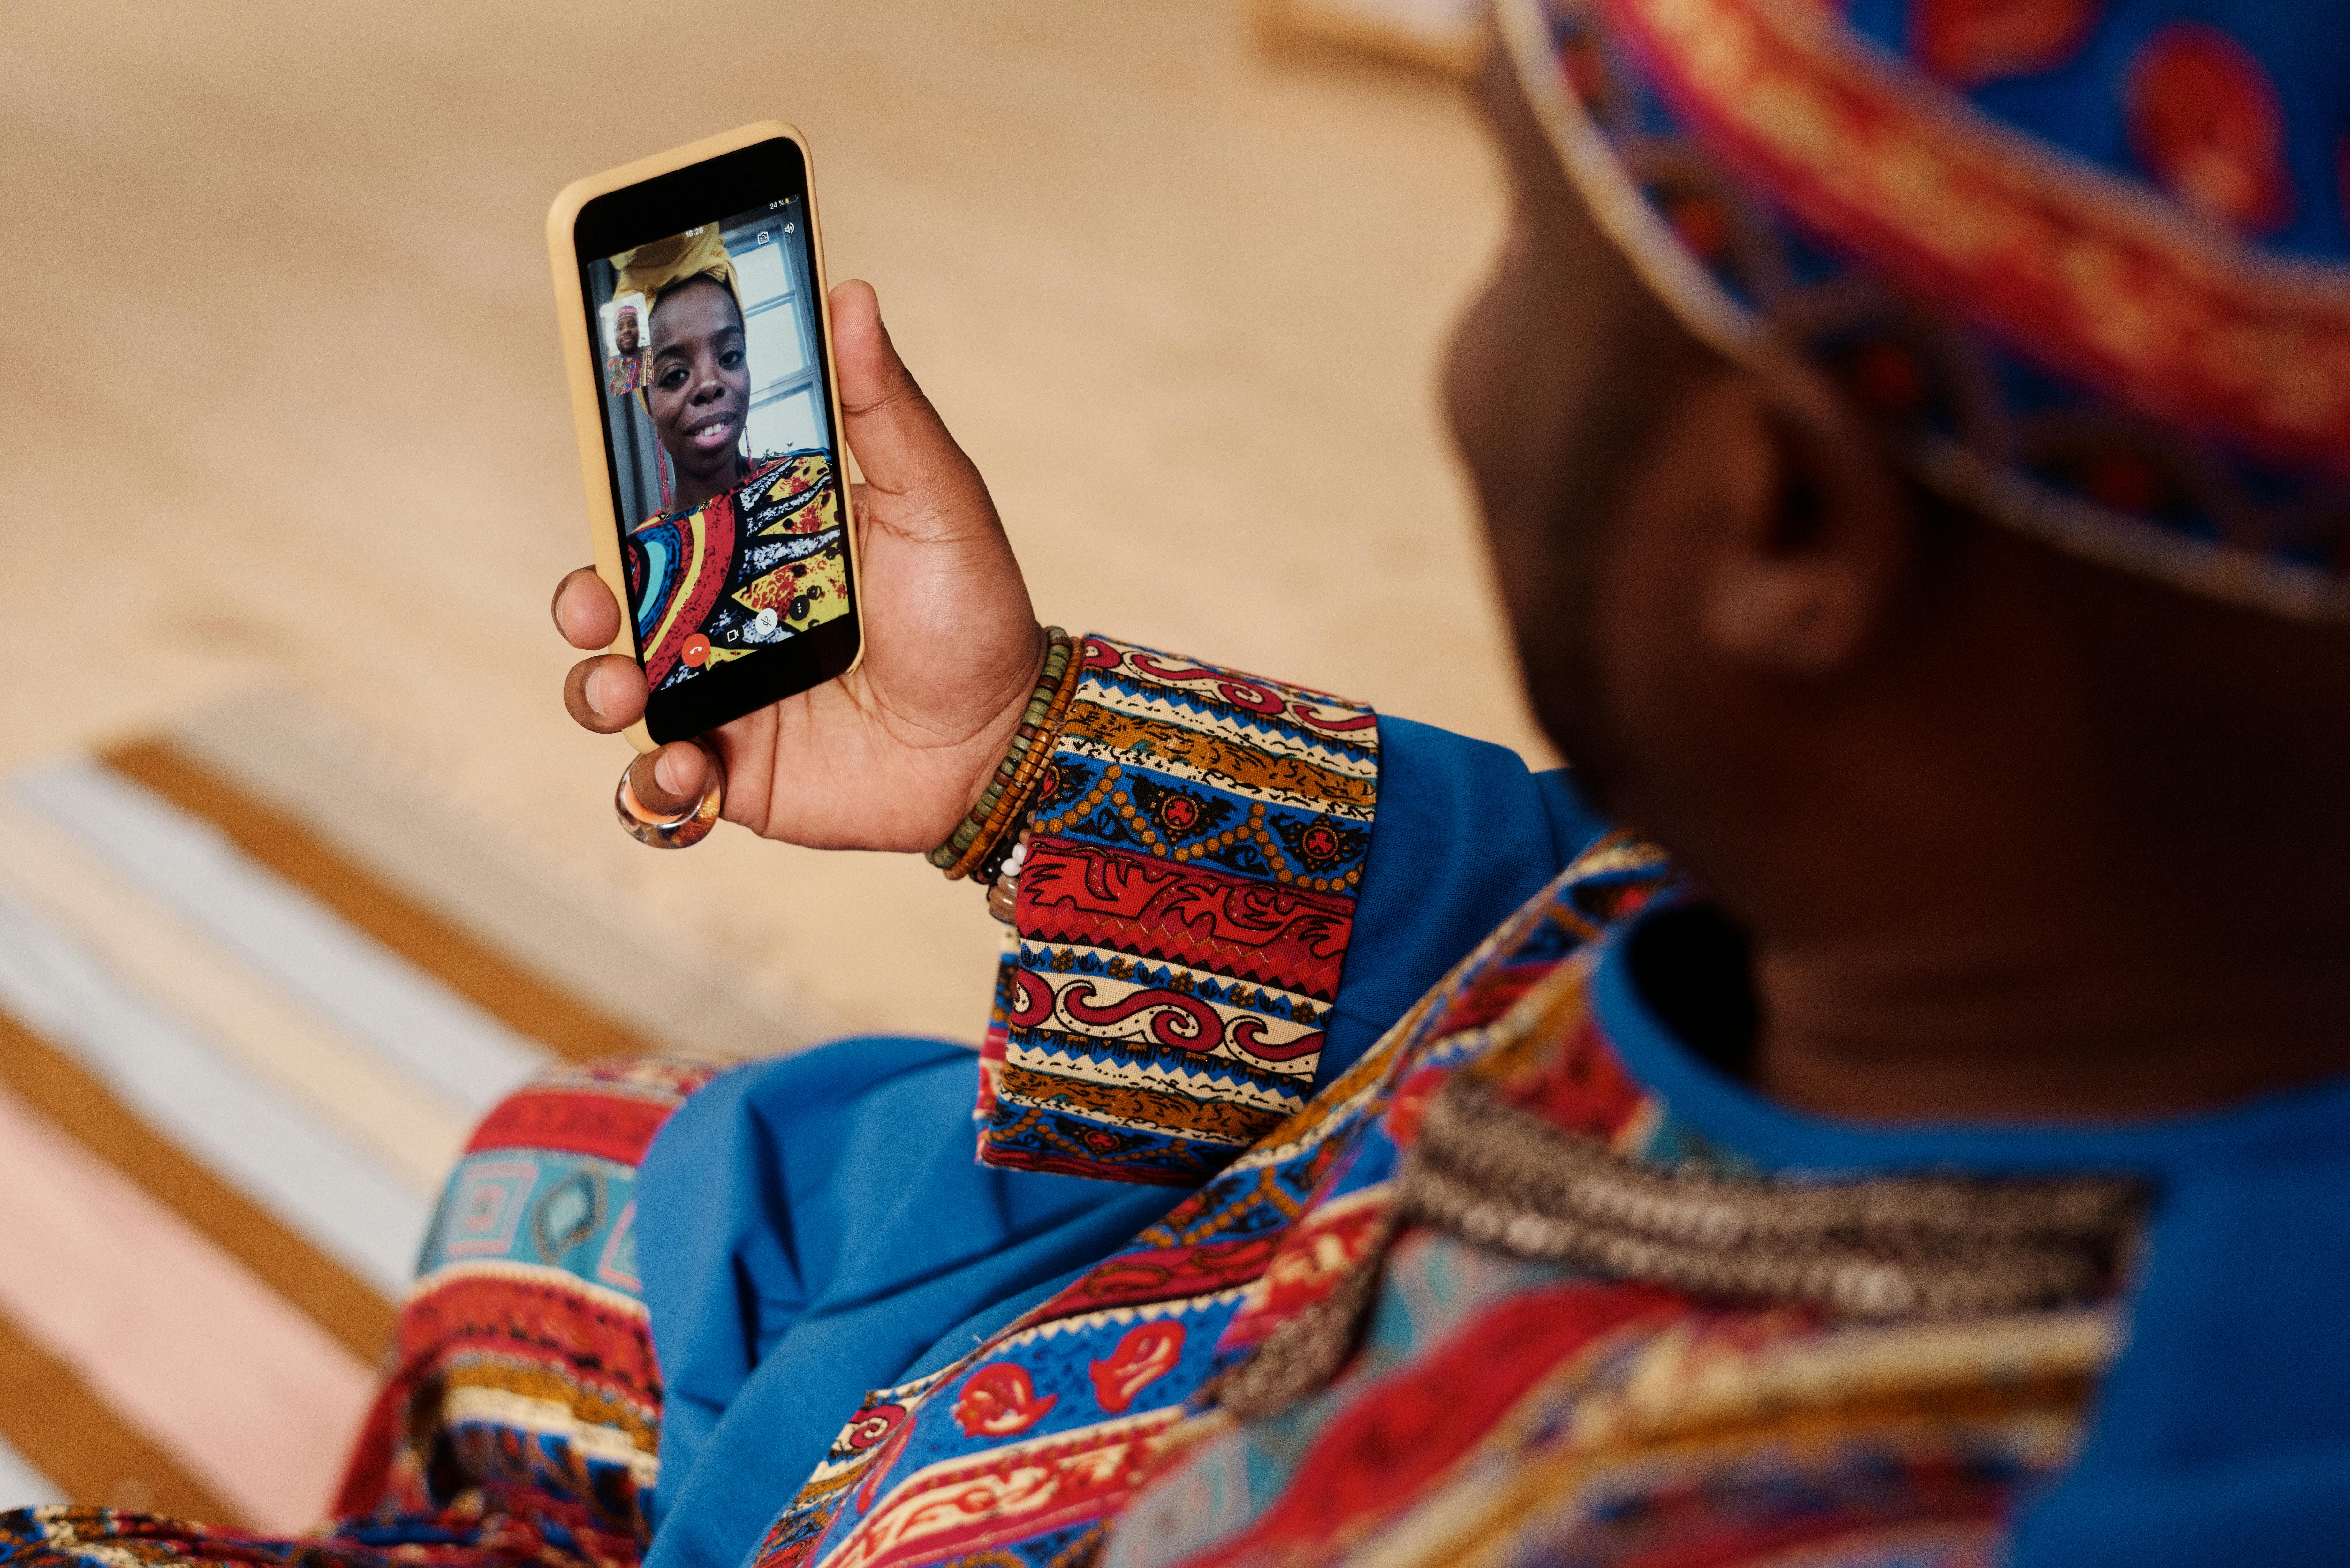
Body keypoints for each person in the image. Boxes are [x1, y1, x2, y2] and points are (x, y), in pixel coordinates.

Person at [13, 0, 2350, 1564]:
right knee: (570, 1181)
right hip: (1117, 1348)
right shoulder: (2068, 944)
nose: (1471, 340)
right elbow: (1585, 900)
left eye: (1516, 241)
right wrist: (1027, 757)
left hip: (1019, 1467)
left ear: (1777, 526)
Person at [614, 230, 849, 689]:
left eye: (730, 355)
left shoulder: (820, 479)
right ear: (648, 403)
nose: (710, 383)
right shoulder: (635, 567)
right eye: (676, 374)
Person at [603, 302, 645, 397]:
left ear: (639, 329)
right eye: (620, 328)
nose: (626, 331)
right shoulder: (609, 366)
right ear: (615, 335)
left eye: (632, 325)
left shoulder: (651, 355)